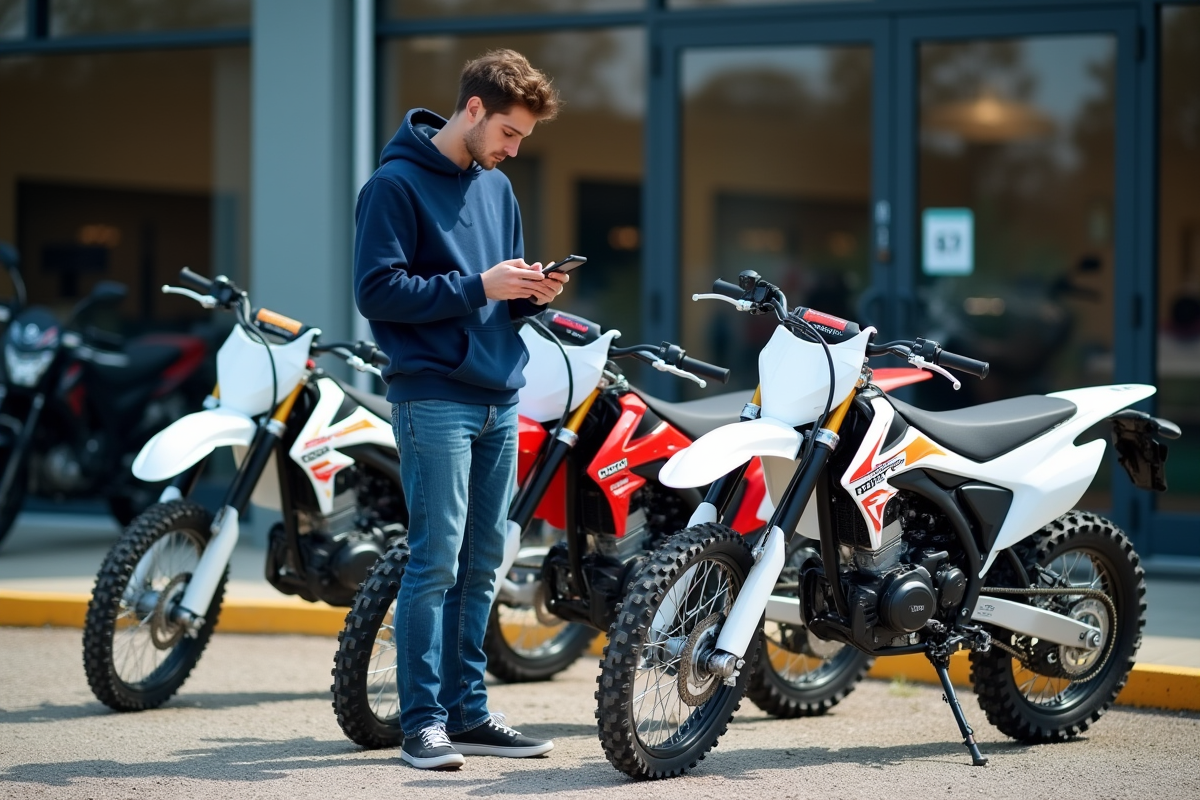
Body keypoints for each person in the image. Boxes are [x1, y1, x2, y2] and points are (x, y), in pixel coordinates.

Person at [353, 49, 566, 771]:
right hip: (433, 396)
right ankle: (422, 725)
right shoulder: (393, 185)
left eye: (523, 139)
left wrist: (529, 293)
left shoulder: (497, 189)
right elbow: (377, 292)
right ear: (473, 108)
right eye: (508, 133)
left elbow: (494, 297)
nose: (513, 150)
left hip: (499, 394)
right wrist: (480, 285)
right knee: (435, 561)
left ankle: (468, 714)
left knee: (482, 563)